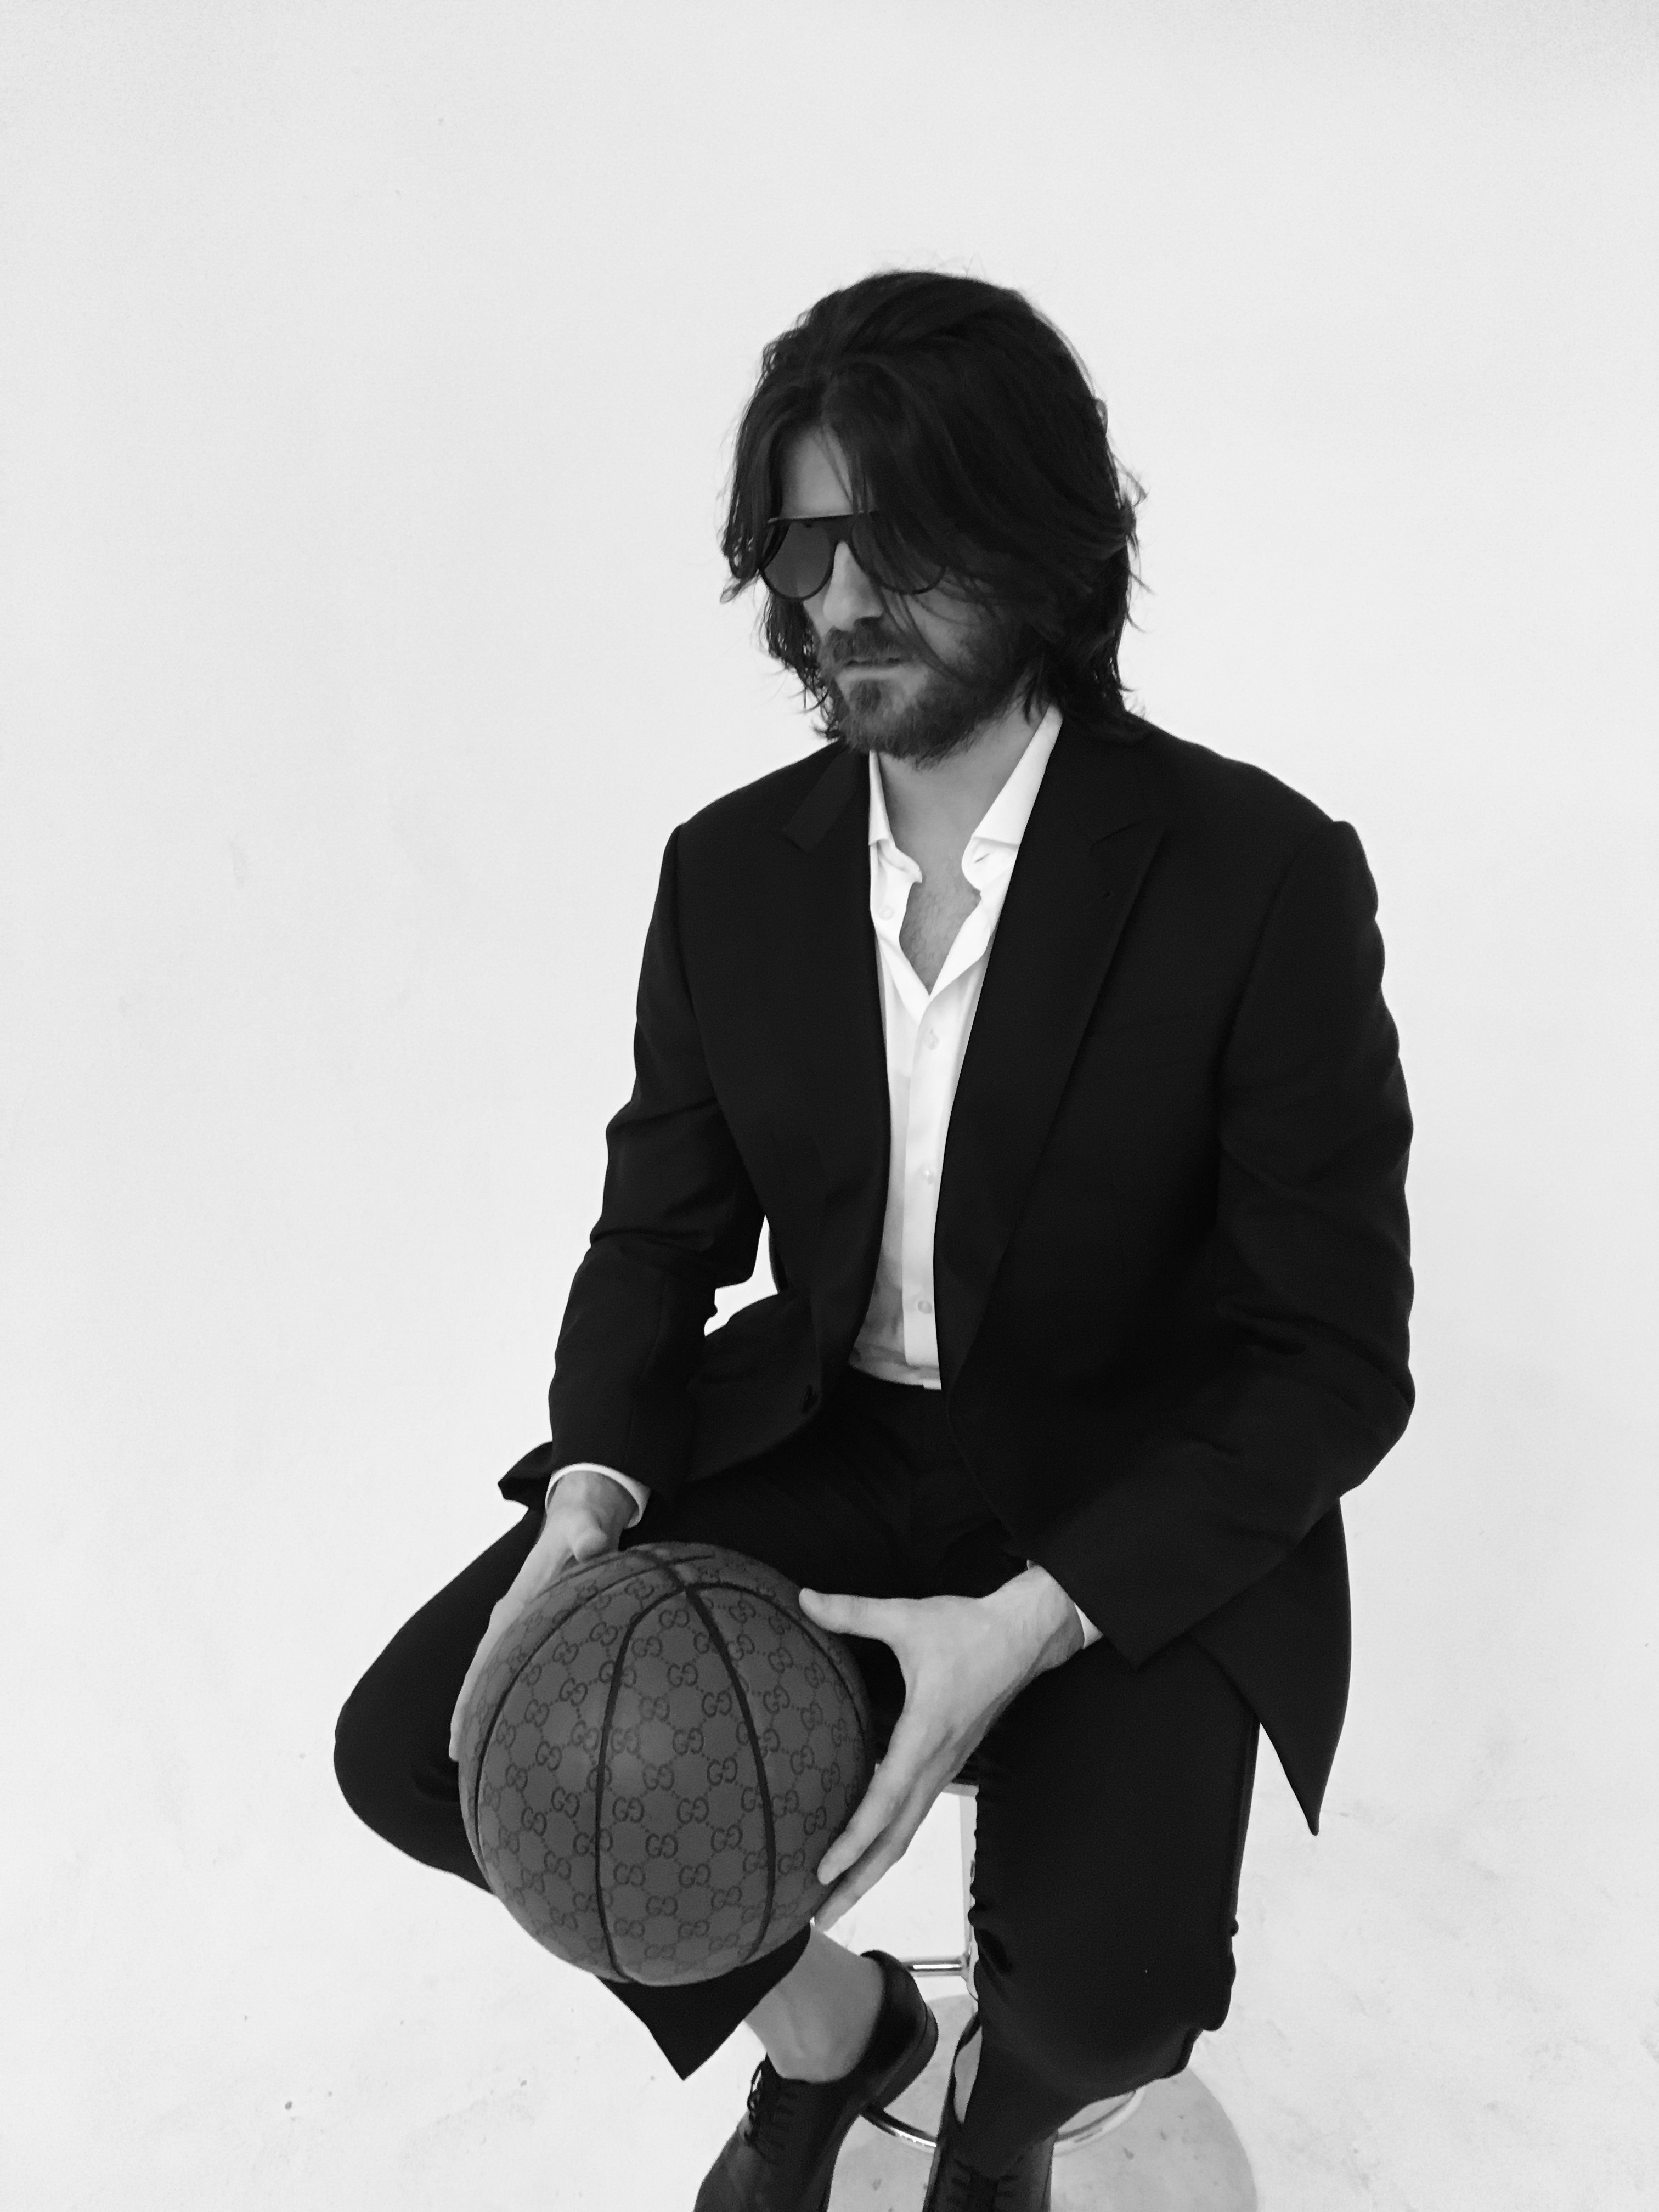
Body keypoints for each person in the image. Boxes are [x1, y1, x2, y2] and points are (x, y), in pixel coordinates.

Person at [335, 269, 1414, 2211]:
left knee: (1120, 2000)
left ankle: (999, 2131)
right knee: (428, 1750)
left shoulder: (1260, 877)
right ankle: (845, 2038)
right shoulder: (728, 872)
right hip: (834, 1441)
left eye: (893, 540)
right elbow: (657, 1240)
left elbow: (1332, 1358)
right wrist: (589, 1494)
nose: (834, 600)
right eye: (799, 542)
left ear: (1044, 538)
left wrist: (1027, 1625)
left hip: (1128, 1481)